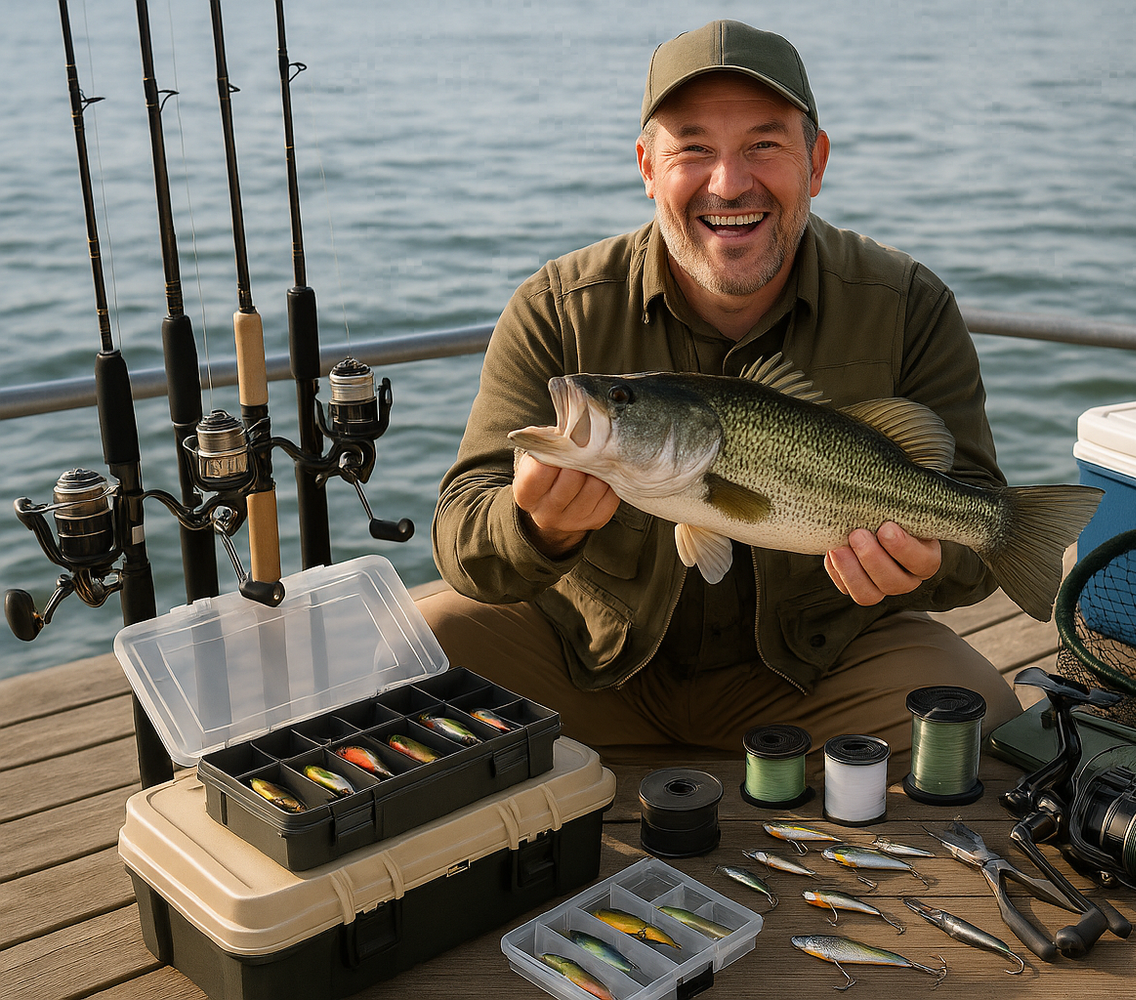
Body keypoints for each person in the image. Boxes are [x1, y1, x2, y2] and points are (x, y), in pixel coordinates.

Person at [418, 20, 1023, 756]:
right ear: (647, 166)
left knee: (981, 716)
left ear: (816, 161)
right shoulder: (555, 308)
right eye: (693, 148)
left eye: (764, 146)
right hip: (588, 663)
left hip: (814, 676)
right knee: (414, 658)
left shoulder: (909, 305)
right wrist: (539, 528)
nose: (728, 183)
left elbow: (975, 530)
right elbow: (460, 536)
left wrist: (926, 566)